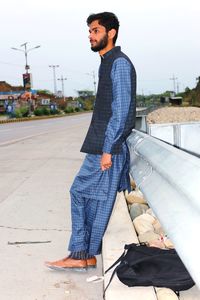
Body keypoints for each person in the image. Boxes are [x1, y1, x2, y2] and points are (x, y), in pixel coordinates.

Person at [45, 11, 136, 271]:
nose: (90, 36)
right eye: (89, 31)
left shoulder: (118, 63)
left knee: (80, 193)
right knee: (89, 197)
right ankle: (82, 254)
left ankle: (81, 254)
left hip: (107, 148)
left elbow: (121, 110)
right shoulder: (107, 62)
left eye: (95, 31)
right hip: (102, 146)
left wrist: (108, 149)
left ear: (111, 33)